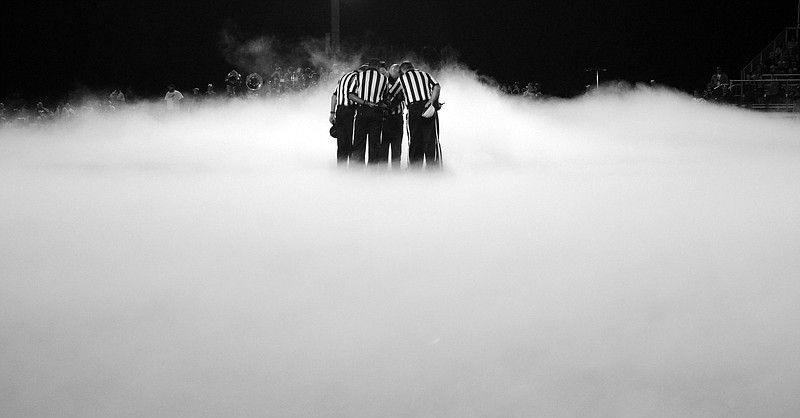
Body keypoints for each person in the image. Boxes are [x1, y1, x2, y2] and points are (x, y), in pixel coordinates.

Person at [389, 61, 442, 169]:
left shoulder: (402, 79)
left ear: (402, 70)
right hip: (428, 107)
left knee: (414, 140)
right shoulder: (425, 74)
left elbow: (391, 93)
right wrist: (431, 101)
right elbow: (437, 87)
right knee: (431, 140)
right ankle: (434, 169)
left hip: (413, 110)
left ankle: (414, 169)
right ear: (413, 67)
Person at [349, 58, 389, 166]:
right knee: (375, 143)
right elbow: (385, 98)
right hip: (377, 112)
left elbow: (351, 95)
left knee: (359, 141)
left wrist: (365, 102)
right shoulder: (384, 79)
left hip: (362, 110)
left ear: (368, 66)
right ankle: (372, 171)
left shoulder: (359, 76)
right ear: (378, 67)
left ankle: (358, 169)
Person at [329, 65, 360, 167]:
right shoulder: (357, 78)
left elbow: (334, 95)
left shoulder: (344, 77)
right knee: (351, 139)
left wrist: (332, 113)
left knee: (341, 141)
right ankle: (351, 166)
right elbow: (353, 95)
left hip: (339, 110)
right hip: (349, 111)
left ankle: (341, 167)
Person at [382, 63, 405, 168]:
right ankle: (384, 168)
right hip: (386, 118)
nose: (394, 73)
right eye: (393, 70)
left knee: (396, 145)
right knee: (384, 144)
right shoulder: (384, 82)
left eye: (396, 71)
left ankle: (395, 168)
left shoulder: (402, 83)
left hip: (396, 117)